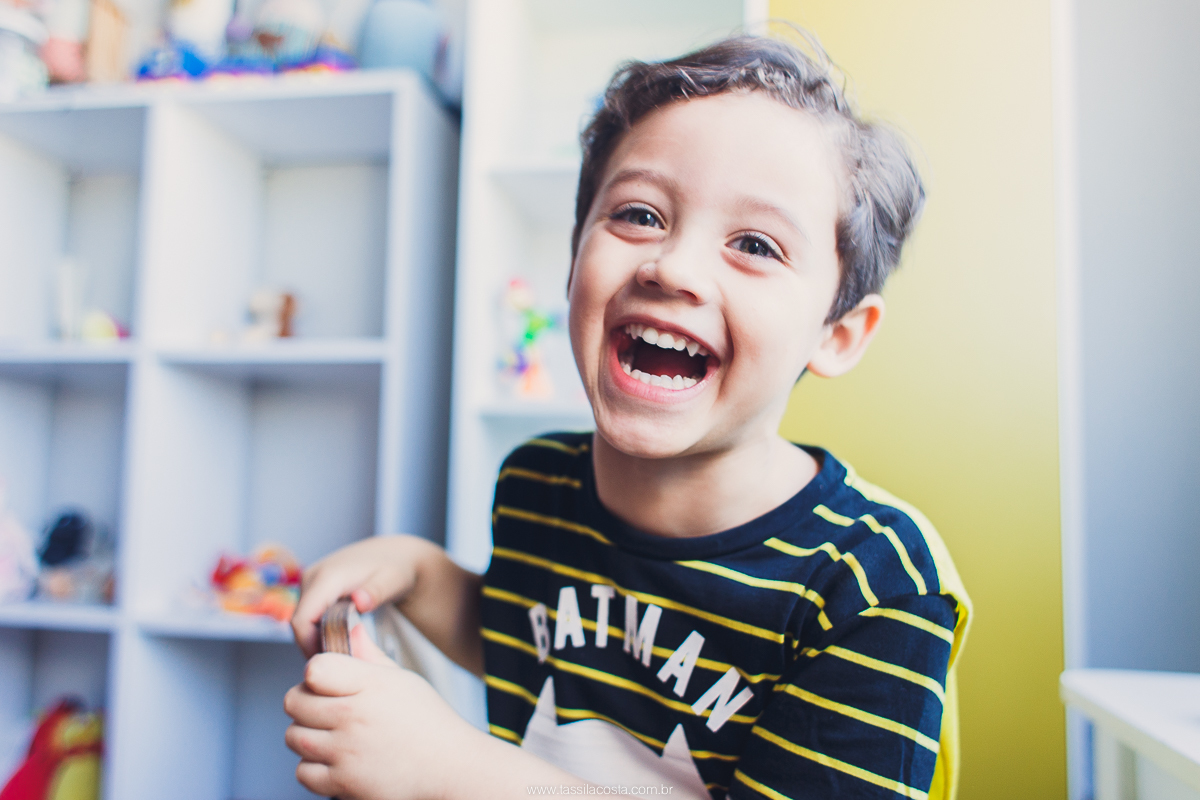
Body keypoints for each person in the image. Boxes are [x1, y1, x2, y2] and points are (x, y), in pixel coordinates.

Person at [284, 33, 971, 800]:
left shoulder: (872, 582)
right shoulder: (537, 485)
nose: (671, 267)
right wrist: (415, 571)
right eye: (639, 214)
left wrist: (448, 771)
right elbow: (535, 649)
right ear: (573, 259)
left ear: (836, 335)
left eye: (754, 244)